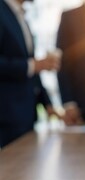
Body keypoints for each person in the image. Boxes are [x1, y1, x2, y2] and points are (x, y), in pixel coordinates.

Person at [0, 0, 60, 148]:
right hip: (6, 118)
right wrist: (33, 65)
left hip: (26, 117)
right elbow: (31, 66)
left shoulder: (21, 16)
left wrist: (48, 105)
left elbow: (32, 70)